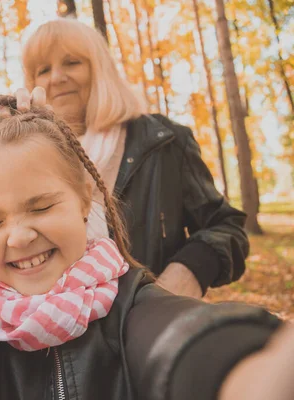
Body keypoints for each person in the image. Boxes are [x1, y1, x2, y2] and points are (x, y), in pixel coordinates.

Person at [0, 94, 286, 400]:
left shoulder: (131, 302)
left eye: (41, 206)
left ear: (85, 198)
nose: (19, 235)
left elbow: (180, 337)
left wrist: (247, 368)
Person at [20, 19, 248, 298]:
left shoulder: (164, 141)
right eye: (43, 70)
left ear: (99, 70)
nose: (56, 78)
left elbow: (226, 227)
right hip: (59, 332)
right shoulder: (27, 159)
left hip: (154, 325)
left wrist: (188, 272)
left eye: (71, 63)